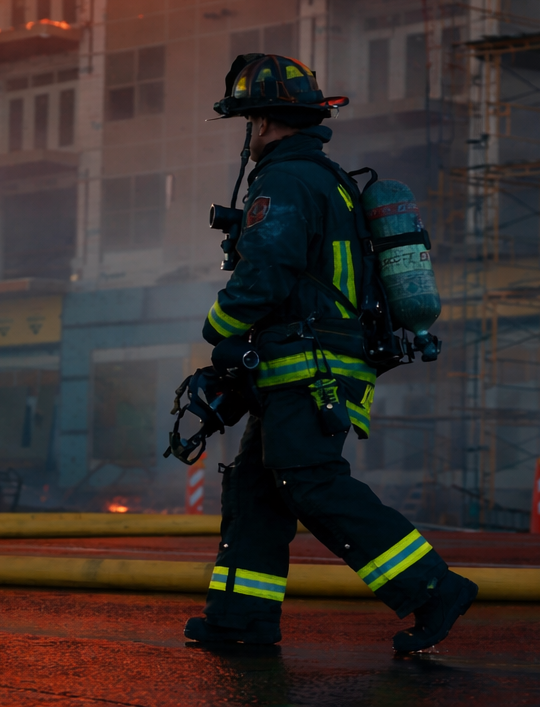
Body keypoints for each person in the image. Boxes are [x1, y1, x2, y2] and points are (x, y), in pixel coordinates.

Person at [183, 53, 478, 653]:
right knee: (256, 488)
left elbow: (266, 272)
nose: (248, 135)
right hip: (306, 364)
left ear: (263, 123)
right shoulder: (329, 179)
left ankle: (432, 587)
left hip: (309, 367)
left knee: (309, 481)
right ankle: (241, 623)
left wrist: (217, 331)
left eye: (248, 123)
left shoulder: (285, 182)